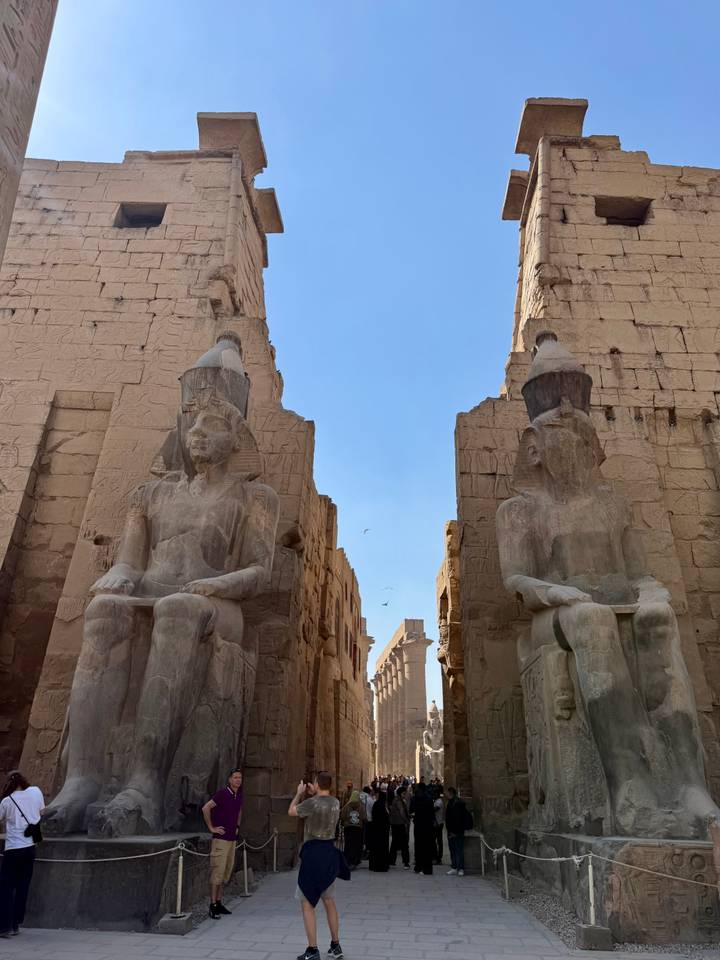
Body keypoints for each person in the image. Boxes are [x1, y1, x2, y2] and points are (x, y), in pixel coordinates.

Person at [290, 772, 349, 960]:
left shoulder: (312, 803)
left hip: (313, 853)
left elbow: (292, 811)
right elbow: (320, 805)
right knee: (329, 900)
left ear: (316, 783)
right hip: (329, 853)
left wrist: (299, 793)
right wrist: (313, 793)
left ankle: (313, 949)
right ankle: (335, 945)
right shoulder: (336, 802)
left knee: (307, 901)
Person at [0, 771, 44, 938]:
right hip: (30, 847)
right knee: (22, 887)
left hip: (13, 848)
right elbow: (41, 811)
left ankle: (4, 926)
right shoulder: (35, 792)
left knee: (6, 888)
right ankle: (16, 924)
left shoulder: (7, 801)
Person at [201, 769, 244, 919]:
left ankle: (219, 902)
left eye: (240, 778)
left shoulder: (238, 795)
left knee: (226, 872)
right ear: (229, 779)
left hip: (232, 838)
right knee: (217, 872)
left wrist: (237, 826)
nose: (238, 780)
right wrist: (211, 827)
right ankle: (212, 905)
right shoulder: (222, 794)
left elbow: (239, 811)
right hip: (221, 839)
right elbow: (206, 807)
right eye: (235, 777)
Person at [409, 781, 435, 875]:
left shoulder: (416, 798)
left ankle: (420, 867)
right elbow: (432, 812)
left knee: (419, 846)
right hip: (427, 825)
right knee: (426, 847)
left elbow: (411, 810)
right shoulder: (429, 798)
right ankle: (425, 868)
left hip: (420, 824)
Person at [445, 787, 470, 876]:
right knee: (453, 850)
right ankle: (454, 867)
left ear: (450, 793)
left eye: (447, 793)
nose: (445, 794)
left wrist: (454, 832)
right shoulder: (450, 803)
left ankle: (461, 868)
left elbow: (458, 819)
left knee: (459, 850)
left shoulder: (458, 804)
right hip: (451, 831)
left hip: (457, 831)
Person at [340, 790, 365, 869]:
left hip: (348, 827)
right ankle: (355, 860)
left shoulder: (347, 806)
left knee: (348, 843)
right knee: (356, 844)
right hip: (358, 828)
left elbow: (342, 816)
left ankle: (348, 859)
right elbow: (364, 817)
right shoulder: (361, 806)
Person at [389, 785, 410, 869]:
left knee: (394, 842)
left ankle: (391, 860)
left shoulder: (396, 800)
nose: (405, 794)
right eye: (404, 793)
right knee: (404, 844)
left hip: (395, 824)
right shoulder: (399, 801)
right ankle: (406, 862)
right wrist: (406, 821)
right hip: (399, 824)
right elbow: (401, 811)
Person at [368, 790, 390, 872]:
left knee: (376, 848)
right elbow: (385, 818)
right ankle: (381, 866)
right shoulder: (382, 806)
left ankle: (375, 865)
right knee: (382, 848)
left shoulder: (376, 805)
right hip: (382, 831)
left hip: (376, 830)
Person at [433, 786, 445, 864]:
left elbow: (434, 809)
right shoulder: (437, 801)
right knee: (437, 841)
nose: (433, 794)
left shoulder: (439, 802)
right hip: (438, 823)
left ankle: (438, 858)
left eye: (434, 793)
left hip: (438, 823)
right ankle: (436, 857)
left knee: (438, 841)